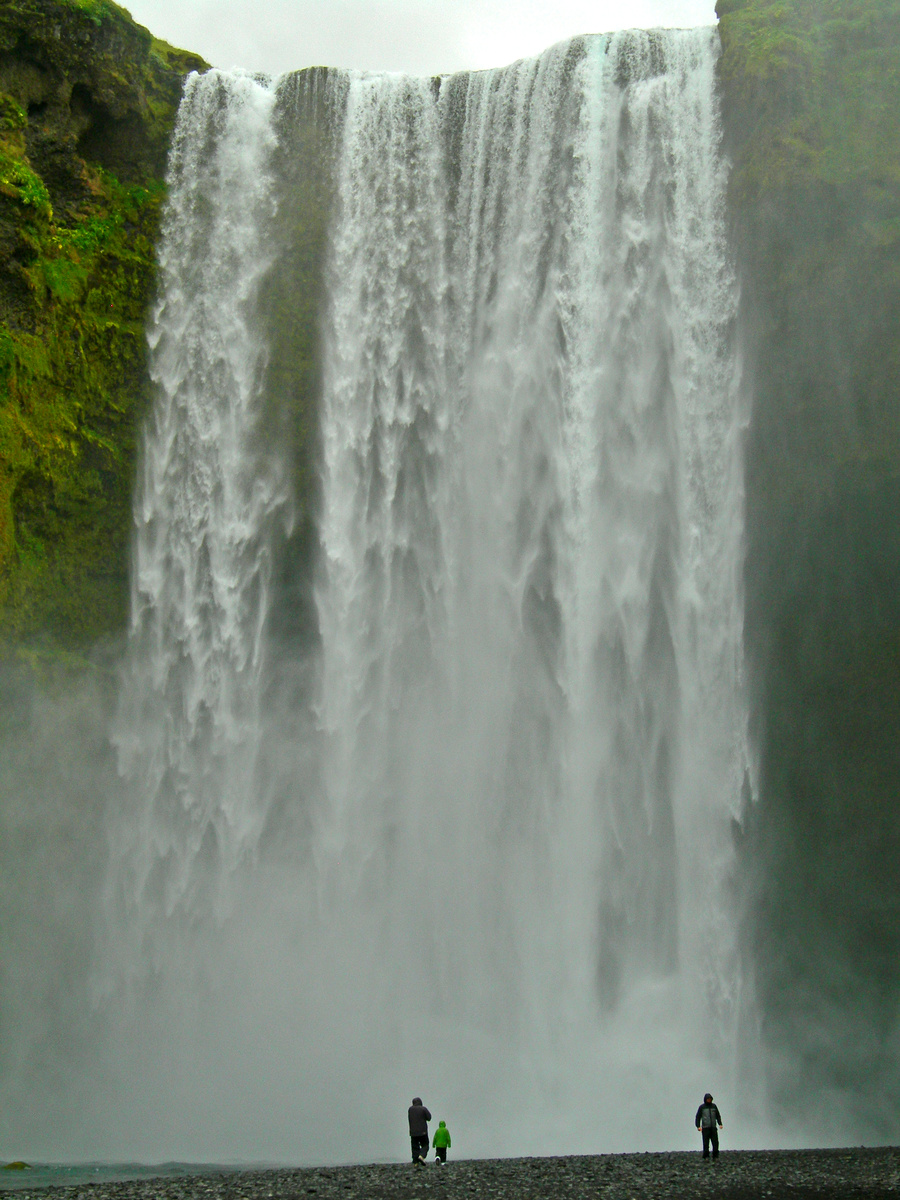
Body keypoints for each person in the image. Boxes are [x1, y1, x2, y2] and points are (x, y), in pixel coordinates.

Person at [695, 1093, 723, 1159]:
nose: (709, 1100)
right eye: (708, 1099)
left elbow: (718, 1116)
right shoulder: (702, 1107)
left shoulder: (714, 1106)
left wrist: (720, 1124)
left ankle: (715, 1155)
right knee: (706, 1143)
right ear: (705, 1099)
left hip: (713, 1127)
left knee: (715, 1142)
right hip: (705, 1128)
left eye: (710, 1099)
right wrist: (698, 1126)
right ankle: (706, 1155)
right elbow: (698, 1117)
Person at [408, 1096, 432, 1164]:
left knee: (415, 1147)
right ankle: (421, 1156)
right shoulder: (423, 1109)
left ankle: (415, 1162)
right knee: (425, 1145)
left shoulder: (410, 1109)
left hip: (413, 1132)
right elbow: (429, 1118)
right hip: (423, 1131)